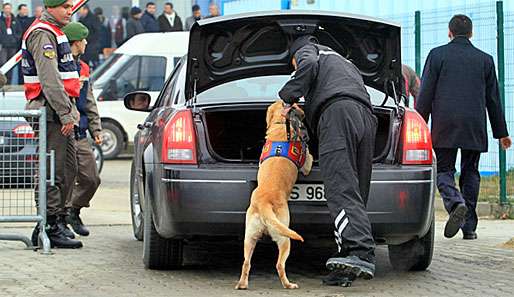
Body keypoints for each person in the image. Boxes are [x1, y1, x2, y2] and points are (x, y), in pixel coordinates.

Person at [278, 35, 377, 285]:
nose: (295, 67)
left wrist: (288, 95)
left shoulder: (308, 52)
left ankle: (361, 251)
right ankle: (346, 263)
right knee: (355, 190)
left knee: (339, 187)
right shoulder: (344, 62)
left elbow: (308, 66)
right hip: (366, 117)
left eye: (293, 65)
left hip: (337, 115)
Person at [416, 15, 512, 240]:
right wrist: (502, 133)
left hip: (445, 125)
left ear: (449, 32)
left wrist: (419, 122)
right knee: (471, 172)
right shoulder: (485, 60)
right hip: (473, 125)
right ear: (472, 33)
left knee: (444, 171)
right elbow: (493, 99)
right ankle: (469, 227)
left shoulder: (437, 55)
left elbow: (426, 93)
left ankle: (455, 202)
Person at [23, 0, 82, 249]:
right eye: (65, 6)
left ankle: (56, 220)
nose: (70, 11)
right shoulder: (42, 33)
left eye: (71, 6)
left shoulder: (55, 32)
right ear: (52, 7)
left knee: (69, 168)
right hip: (50, 111)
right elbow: (50, 80)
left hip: (61, 109)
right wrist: (65, 112)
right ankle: (47, 225)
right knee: (53, 171)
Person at [61, 22, 102, 237]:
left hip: (80, 133)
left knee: (91, 179)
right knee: (65, 179)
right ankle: (61, 220)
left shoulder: (84, 68)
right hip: (64, 131)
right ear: (75, 43)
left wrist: (96, 128)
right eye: (83, 40)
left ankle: (73, 210)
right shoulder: (60, 66)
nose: (86, 42)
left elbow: (89, 100)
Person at [0, 3, 22, 83]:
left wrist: (15, 39)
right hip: (3, 46)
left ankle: (8, 82)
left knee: (11, 64)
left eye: (9, 8)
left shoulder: (14, 20)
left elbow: (19, 31)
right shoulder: (1, 19)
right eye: (6, 8)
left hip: (13, 45)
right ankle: (2, 82)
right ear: (3, 9)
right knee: (3, 62)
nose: (7, 10)